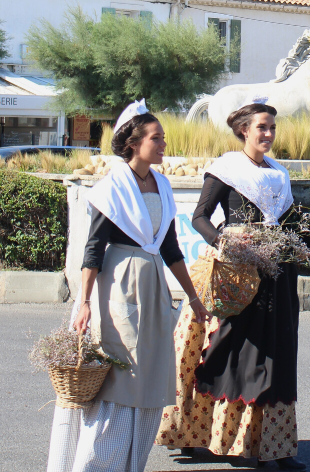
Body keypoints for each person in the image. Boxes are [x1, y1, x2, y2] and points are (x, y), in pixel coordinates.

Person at [46, 99, 210, 472]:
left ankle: (130, 463)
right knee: (121, 373)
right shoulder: (112, 187)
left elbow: (170, 248)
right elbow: (94, 248)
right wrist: (85, 301)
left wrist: (195, 297)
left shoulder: (162, 184)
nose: (164, 143)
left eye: (163, 137)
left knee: (150, 373)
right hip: (119, 283)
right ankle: (96, 463)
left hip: (152, 282)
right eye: (157, 137)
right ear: (133, 143)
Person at [156, 97, 307, 471]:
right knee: (231, 351)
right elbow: (200, 216)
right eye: (262, 127)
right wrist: (227, 241)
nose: (269, 134)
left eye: (272, 127)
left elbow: (289, 220)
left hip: (276, 275)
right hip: (235, 273)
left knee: (278, 354)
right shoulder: (226, 168)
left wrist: (300, 241)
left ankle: (276, 447)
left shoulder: (279, 174)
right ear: (244, 130)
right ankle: (212, 436)